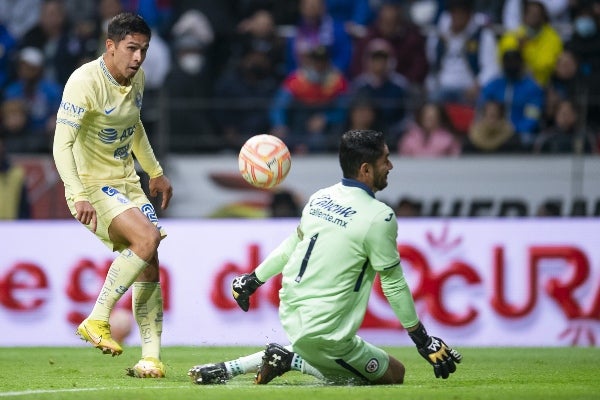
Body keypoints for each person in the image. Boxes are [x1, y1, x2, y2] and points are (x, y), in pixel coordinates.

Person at [188, 129, 462, 385]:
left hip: (293, 314)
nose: (390, 166)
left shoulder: (320, 198)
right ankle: (292, 360)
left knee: (315, 348)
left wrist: (252, 279)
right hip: (327, 332)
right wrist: (423, 340)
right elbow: (393, 283)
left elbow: (292, 245)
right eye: (385, 160)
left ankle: (231, 368)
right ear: (366, 169)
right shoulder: (380, 217)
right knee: (394, 374)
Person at [52, 12, 173, 378]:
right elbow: (61, 144)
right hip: (91, 185)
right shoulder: (84, 81)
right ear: (111, 46)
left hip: (127, 182)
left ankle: (150, 358)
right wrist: (77, 194)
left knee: (149, 256)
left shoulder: (138, 79)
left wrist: (155, 171)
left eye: (144, 50)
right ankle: (97, 318)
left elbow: (133, 125)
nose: (138, 57)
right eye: (131, 48)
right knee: (146, 238)